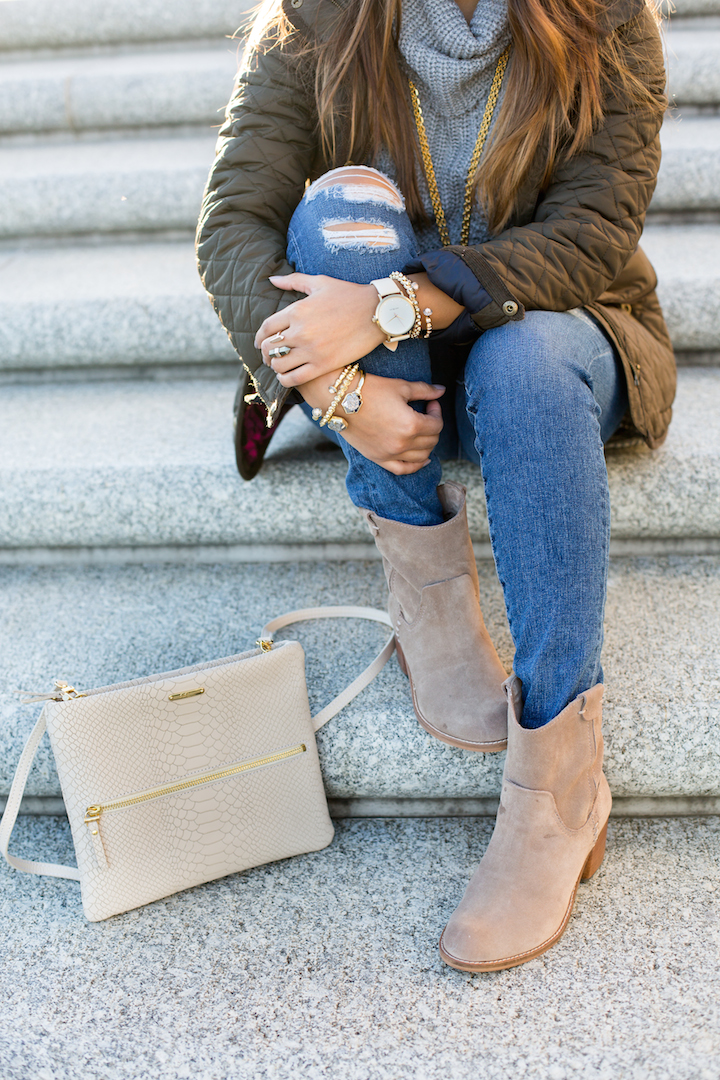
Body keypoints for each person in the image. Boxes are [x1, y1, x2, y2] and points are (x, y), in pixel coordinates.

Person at [196, 0, 675, 971]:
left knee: (524, 361)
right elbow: (234, 226)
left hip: (549, 337)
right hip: (381, 376)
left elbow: (593, 231)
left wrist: (389, 306)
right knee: (341, 208)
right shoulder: (318, 19)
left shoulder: (605, 18)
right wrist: (335, 389)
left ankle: (558, 783)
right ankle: (431, 595)